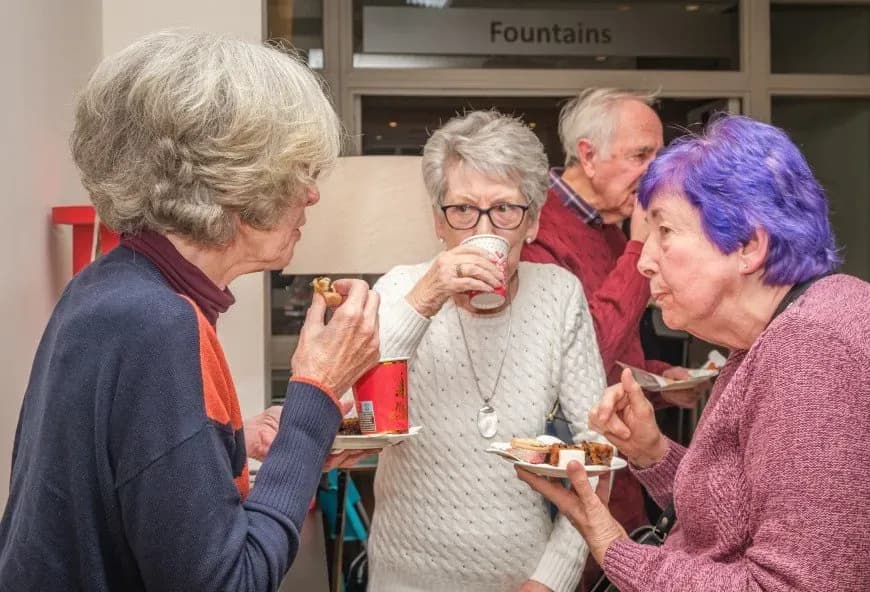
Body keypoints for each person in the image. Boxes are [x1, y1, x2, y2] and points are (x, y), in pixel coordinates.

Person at [0, 29, 380, 591]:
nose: (312, 195)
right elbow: (232, 582)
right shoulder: (160, 322)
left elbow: (114, 481)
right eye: (299, 171)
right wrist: (317, 393)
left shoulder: (110, 286)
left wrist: (233, 443)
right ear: (235, 183)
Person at [518, 115, 870, 591]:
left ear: (748, 246)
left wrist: (612, 546)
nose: (643, 260)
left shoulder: (810, 351)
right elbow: (748, 513)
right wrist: (653, 453)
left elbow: (785, 586)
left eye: (664, 231)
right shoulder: (770, 336)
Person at [366, 111, 607, 592]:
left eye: (505, 209)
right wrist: (428, 295)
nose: (484, 228)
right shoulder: (399, 289)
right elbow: (362, 406)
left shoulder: (559, 294)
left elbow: (597, 451)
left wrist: (552, 579)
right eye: (462, 209)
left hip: (524, 573)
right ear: (439, 221)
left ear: (532, 222)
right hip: (404, 576)